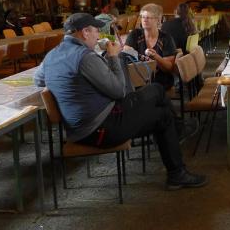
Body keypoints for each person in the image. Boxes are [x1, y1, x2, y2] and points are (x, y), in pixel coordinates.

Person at [34, 13, 207, 190]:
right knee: (161, 109)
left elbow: (38, 80)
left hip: (79, 129)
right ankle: (177, 150)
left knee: (157, 94)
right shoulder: (85, 57)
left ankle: (177, 150)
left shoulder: (51, 56)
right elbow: (119, 91)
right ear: (85, 32)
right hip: (101, 129)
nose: (98, 35)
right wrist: (113, 57)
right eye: (95, 31)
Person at [124, 4, 177, 91]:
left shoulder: (166, 38)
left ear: (158, 20)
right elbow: (125, 56)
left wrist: (156, 57)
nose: (144, 20)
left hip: (159, 79)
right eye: (143, 17)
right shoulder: (134, 34)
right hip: (137, 78)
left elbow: (169, 68)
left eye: (148, 17)